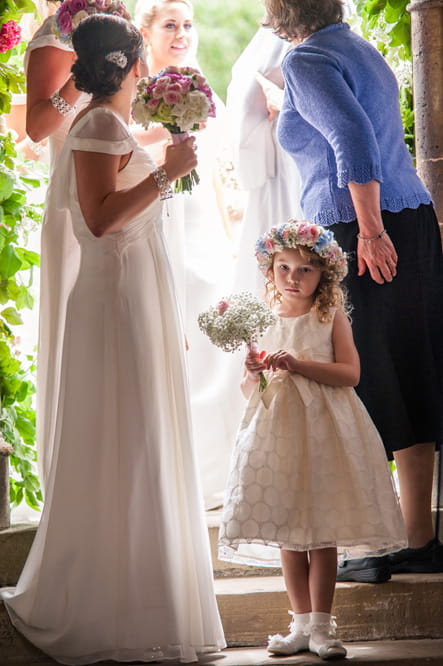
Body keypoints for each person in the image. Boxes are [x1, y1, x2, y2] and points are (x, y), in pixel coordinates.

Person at [0, 15, 225, 663]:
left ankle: (140, 597)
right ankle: (110, 605)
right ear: (126, 62)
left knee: (138, 441)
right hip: (112, 302)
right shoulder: (98, 123)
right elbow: (98, 224)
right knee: (123, 441)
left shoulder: (114, 123)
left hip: (136, 301)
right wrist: (166, 173)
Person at [263, 0, 443, 581]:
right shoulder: (360, 48)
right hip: (411, 216)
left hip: (359, 228)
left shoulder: (307, 59)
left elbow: (352, 138)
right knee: (412, 371)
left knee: (361, 378)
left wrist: (368, 231)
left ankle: (375, 545)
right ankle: (418, 539)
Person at [218, 220, 406, 659]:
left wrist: (300, 365)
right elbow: (252, 394)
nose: (292, 278)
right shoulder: (263, 320)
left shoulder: (330, 317)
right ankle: (299, 624)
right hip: (278, 434)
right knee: (288, 530)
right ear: (270, 272)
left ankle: (322, 626)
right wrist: (253, 372)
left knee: (322, 532)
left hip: (326, 432)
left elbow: (350, 374)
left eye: (304, 270)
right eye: (283, 268)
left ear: (323, 275)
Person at [134, 0, 237, 510]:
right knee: (175, 339)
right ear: (146, 32)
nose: (181, 33)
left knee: (217, 340)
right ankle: (177, 476)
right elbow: (127, 157)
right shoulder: (133, 92)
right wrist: (163, 138)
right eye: (170, 25)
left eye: (188, 25)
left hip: (203, 224)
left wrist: (227, 229)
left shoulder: (201, 84)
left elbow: (214, 167)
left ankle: (218, 474)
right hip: (161, 212)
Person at [225, 25, 302, 297]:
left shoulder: (274, 53)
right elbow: (246, 110)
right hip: (281, 168)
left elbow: (246, 117)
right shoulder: (271, 54)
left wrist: (283, 105)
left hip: (291, 165)